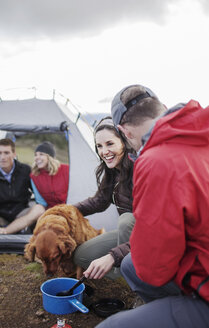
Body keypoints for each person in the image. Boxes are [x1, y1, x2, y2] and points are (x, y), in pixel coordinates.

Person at [92, 84, 209, 328]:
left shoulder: (155, 161)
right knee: (129, 264)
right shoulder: (201, 133)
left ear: (124, 132)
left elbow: (154, 270)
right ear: (164, 109)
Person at [73, 116, 135, 279]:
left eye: (110, 144)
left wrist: (114, 256)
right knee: (81, 255)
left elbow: (153, 227)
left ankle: (133, 276)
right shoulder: (112, 171)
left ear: (123, 142)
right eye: (99, 146)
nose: (104, 152)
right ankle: (122, 273)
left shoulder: (139, 169)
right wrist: (66, 211)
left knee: (126, 219)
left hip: (148, 238)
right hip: (127, 237)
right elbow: (99, 202)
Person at [0, 138, 45, 234]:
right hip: (1, 216)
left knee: (39, 209)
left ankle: (6, 231)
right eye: (0, 153)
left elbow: (38, 192)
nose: (2, 157)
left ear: (14, 154)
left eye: (6, 153)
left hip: (21, 215)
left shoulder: (25, 170)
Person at [30, 141, 69, 209]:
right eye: (35, 155)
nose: (37, 157)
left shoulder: (66, 170)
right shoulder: (34, 176)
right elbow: (40, 202)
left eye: (41, 154)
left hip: (69, 208)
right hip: (50, 211)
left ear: (50, 157)